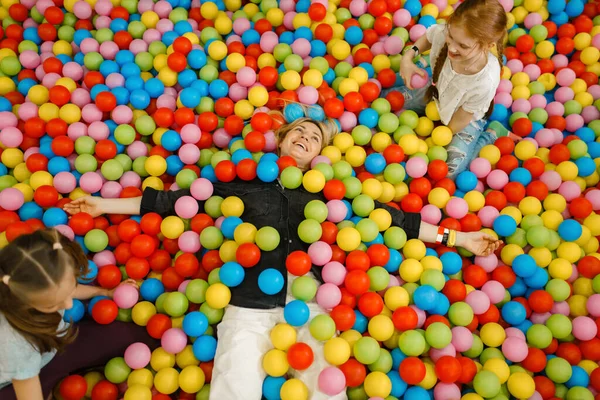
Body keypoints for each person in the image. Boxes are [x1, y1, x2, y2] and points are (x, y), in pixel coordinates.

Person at [64, 114, 502, 399]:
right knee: (233, 383)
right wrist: (103, 206)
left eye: (314, 138)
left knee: (325, 387)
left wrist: (458, 238)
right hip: (248, 302)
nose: (306, 138)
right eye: (299, 132)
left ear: (319, 154)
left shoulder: (328, 191)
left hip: (311, 303)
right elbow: (171, 201)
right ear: (281, 140)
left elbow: (394, 220)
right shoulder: (243, 184)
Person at [0, 229, 158, 400]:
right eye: (53, 304)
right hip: (14, 378)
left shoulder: (45, 275)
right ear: (21, 302)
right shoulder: (14, 342)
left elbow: (66, 290)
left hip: (53, 347)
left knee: (141, 336)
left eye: (69, 290)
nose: (68, 304)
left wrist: (105, 292)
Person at [384, 0, 518, 177]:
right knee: (386, 100)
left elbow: (461, 118)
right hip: (436, 93)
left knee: (450, 172)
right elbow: (429, 37)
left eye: (463, 46)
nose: (452, 47)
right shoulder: (446, 33)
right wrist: (408, 57)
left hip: (465, 119)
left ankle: (492, 133)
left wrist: (434, 139)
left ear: (488, 45)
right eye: (451, 37)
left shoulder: (485, 80)